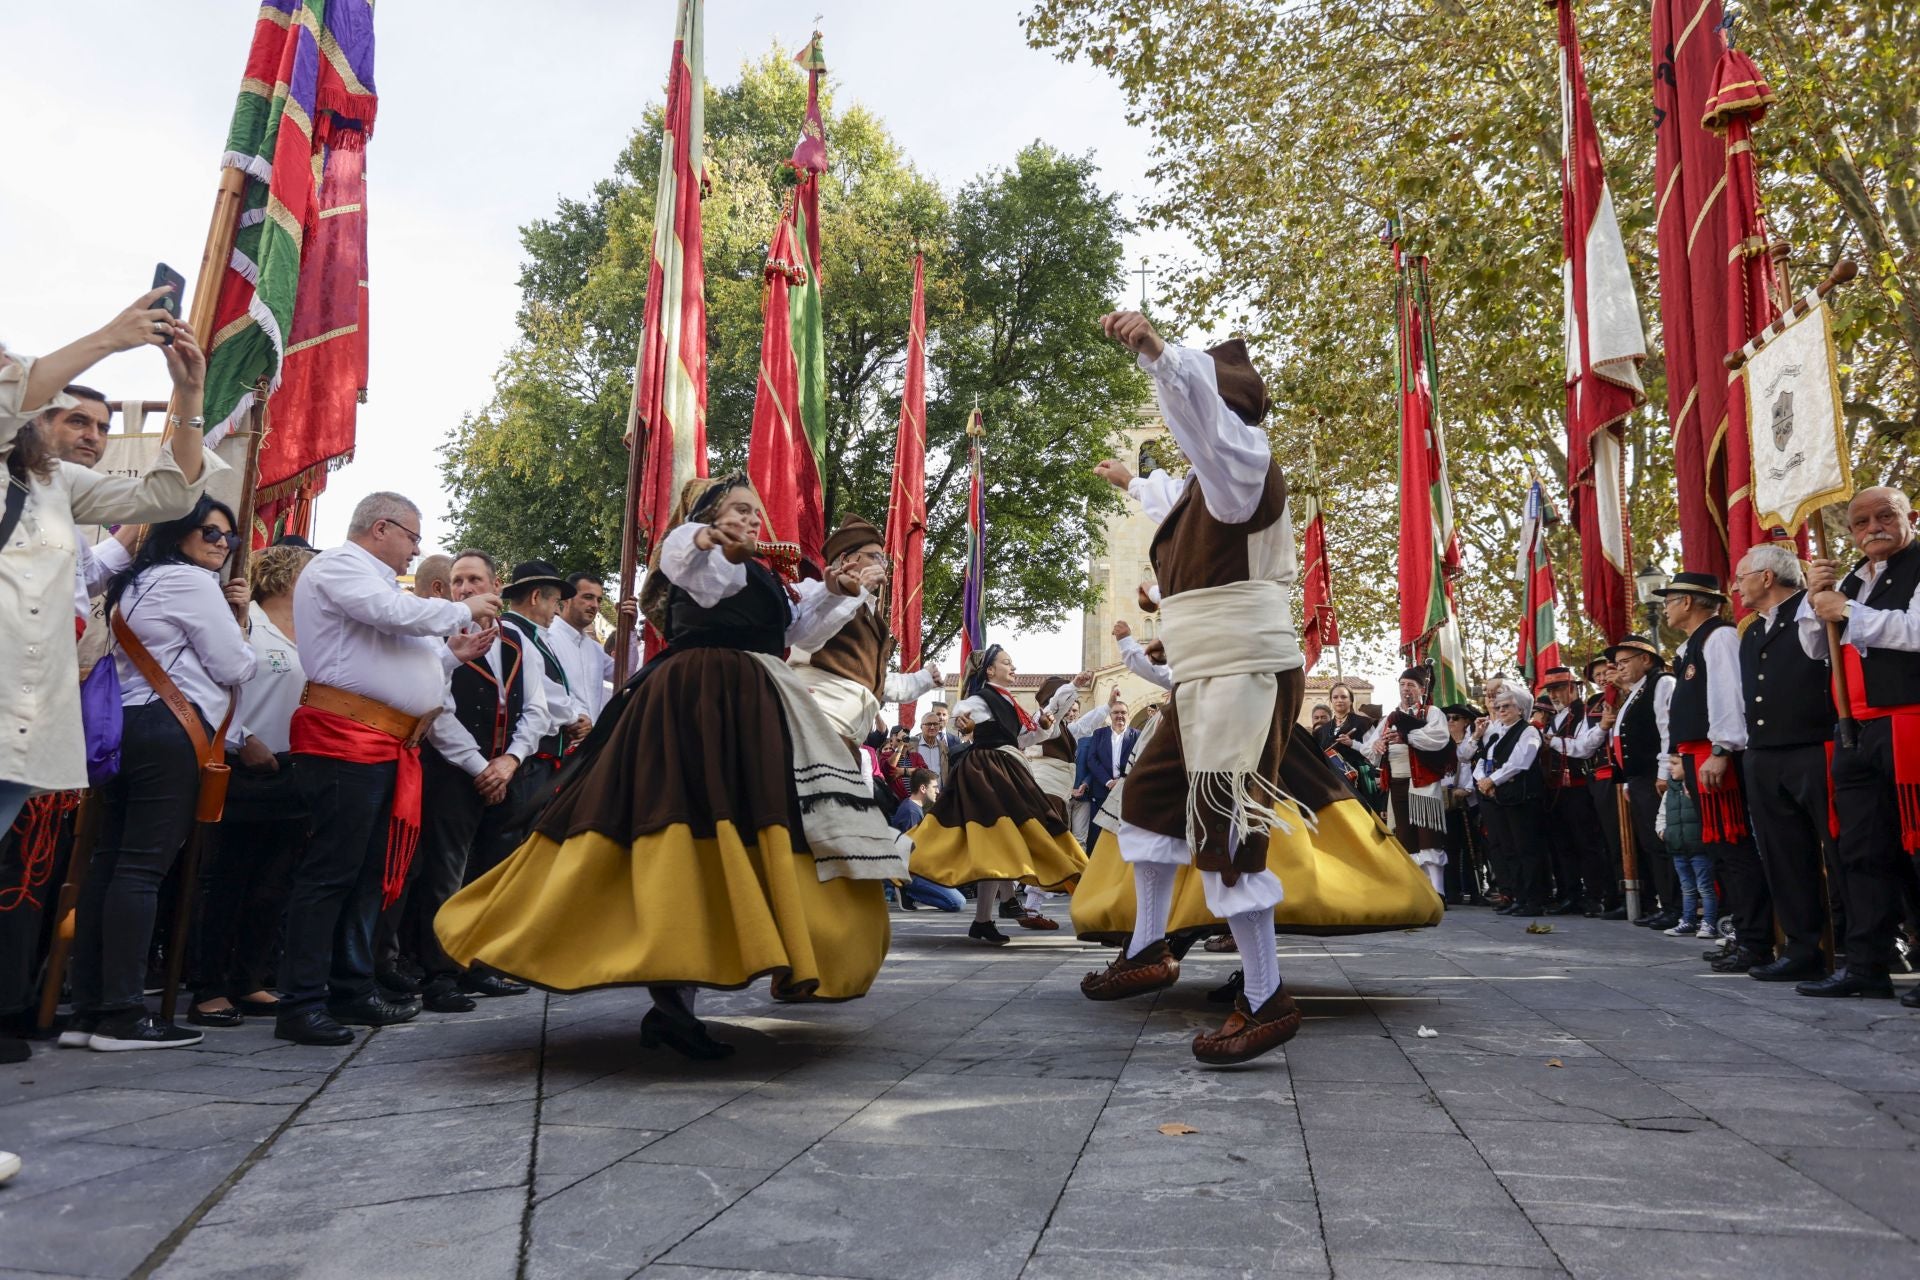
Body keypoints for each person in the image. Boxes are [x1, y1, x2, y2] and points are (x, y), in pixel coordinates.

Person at [437, 475, 904, 1059]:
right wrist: (711, 536)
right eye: (740, 509)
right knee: (679, 834)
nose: (754, 519)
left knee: (764, 835)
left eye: (757, 512)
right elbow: (684, 557)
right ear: (707, 514)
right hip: (696, 704)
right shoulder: (699, 553)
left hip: (755, 706)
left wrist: (838, 590)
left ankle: (773, 961)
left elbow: (797, 632)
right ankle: (672, 1007)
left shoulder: (765, 574)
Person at [1076, 310, 1310, 1064]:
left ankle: (1266, 996)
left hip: (1242, 672)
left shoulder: (1243, 459)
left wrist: (1160, 357)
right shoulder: (1212, 483)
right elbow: (1179, 488)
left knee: (1226, 829)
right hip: (1210, 673)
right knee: (1144, 806)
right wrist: (1132, 480)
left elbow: (1211, 434)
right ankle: (1147, 947)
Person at [274, 492, 500, 1047]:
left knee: (368, 874)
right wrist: (464, 609)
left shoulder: (368, 578)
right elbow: (393, 616)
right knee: (331, 872)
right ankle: (302, 1000)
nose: (416, 552)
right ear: (382, 528)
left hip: (383, 743)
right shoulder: (341, 566)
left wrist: (453, 655)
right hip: (345, 741)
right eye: (414, 538)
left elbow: (396, 657)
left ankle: (352, 986)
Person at [1, 293, 216, 838]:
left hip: (22, 714)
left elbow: (167, 497)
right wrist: (111, 337)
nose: (92, 436)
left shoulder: (54, 481)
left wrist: (189, 393)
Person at [69, 495, 256, 1050]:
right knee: (141, 871)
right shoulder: (193, 584)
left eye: (229, 537)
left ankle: (92, 1009)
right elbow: (235, 665)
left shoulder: (138, 580)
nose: (221, 545)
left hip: (125, 724)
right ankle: (124, 1016)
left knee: (110, 865)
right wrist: (238, 622)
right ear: (178, 531)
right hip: (171, 730)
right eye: (209, 532)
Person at [385, 550, 557, 1012]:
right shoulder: (437, 638)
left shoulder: (518, 639)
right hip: (453, 774)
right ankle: (441, 975)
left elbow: (536, 707)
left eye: (473, 580)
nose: (463, 589)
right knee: (447, 873)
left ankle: (482, 965)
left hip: (506, 773)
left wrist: (511, 761)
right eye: (457, 582)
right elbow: (438, 710)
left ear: (494, 586)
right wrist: (480, 766)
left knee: (493, 873)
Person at [1797, 486, 1920, 1006]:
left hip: (1910, 723)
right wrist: (1815, 597)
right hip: (1856, 731)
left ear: (1910, 517)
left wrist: (1847, 610)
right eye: (1860, 522)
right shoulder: (1851, 578)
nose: (1873, 528)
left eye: (1884, 516)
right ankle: (1866, 964)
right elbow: (1813, 646)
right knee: (1862, 851)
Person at [186, 543, 315, 1028]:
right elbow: (215, 685)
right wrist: (242, 740)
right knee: (227, 881)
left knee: (273, 885)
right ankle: (208, 986)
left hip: (295, 768)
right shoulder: (246, 621)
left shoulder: (311, 633)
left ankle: (249, 977)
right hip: (243, 765)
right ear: (286, 578)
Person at [910, 645, 1092, 944]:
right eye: (1007, 663)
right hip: (988, 770)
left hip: (1005, 767)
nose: (1014, 667)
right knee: (998, 840)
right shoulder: (984, 697)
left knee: (1000, 843)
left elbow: (1025, 737)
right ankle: (993, 912)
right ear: (990, 670)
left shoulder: (1008, 701)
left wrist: (1067, 695)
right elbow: (963, 711)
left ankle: (989, 916)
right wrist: (963, 721)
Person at [1656, 571, 1773, 972]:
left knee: (1735, 847)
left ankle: (1756, 941)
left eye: (1670, 599)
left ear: (1689, 601)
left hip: (1715, 753)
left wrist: (1721, 749)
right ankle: (1742, 932)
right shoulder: (1691, 646)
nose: (1666, 607)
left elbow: (1728, 696)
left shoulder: (1718, 637)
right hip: (1696, 756)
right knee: (1721, 851)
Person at [1733, 542, 1839, 981]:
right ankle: (1801, 946)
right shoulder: (1751, 630)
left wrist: (1820, 591)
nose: (1736, 585)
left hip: (1816, 747)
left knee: (1842, 849)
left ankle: (1867, 941)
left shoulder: (1810, 610)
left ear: (1766, 577)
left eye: (1742, 576)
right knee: (1784, 855)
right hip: (1765, 753)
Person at [785, 515, 942, 745]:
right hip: (817, 721)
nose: (882, 565)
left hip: (849, 736)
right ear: (846, 558)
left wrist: (924, 679)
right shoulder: (818, 595)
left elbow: (877, 682)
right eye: (874, 557)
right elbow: (811, 633)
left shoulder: (870, 615)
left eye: (884, 559)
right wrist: (858, 589)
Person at [1604, 636, 1679, 927]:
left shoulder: (1662, 684)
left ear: (1645, 659)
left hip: (1653, 776)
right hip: (1637, 779)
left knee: (1663, 842)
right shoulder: (1634, 693)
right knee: (1649, 843)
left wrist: (1663, 772)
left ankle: (1677, 905)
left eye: (1625, 662)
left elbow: (1667, 730)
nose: (1619, 668)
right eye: (1617, 663)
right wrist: (1625, 781)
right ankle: (1666, 903)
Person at [1362, 668, 1454, 892]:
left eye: (1411, 685)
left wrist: (1406, 736)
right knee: (1405, 835)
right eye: (1402, 684)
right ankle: (1418, 889)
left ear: (1422, 689)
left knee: (1428, 835)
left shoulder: (1432, 713)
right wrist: (1377, 746)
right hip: (1397, 783)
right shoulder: (1389, 718)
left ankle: (1438, 891)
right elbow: (1368, 749)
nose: (1406, 689)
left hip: (1422, 781)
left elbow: (1439, 739)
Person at [1537, 666, 1610, 916]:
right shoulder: (1553, 719)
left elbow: (1584, 747)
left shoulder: (1585, 712)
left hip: (1579, 789)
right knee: (1562, 845)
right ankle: (1570, 894)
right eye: (1551, 690)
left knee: (1586, 844)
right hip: (1555, 790)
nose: (1554, 695)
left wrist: (1552, 742)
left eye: (1559, 688)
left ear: (1573, 688)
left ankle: (1595, 896)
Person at [1472, 687, 1546, 914]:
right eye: (1498, 707)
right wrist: (1482, 781)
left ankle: (1534, 901)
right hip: (1501, 798)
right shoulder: (1496, 733)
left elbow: (1519, 762)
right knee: (1509, 849)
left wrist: (1492, 781)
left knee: (1527, 850)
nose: (1501, 710)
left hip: (1523, 798)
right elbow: (1483, 761)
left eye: (1507, 706)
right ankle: (1519, 897)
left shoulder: (1528, 732)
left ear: (1521, 709)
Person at [548, 571, 636, 723]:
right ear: (566, 599)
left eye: (599, 600)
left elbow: (625, 675)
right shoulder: (547, 639)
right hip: (556, 740)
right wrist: (574, 718)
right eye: (588, 597)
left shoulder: (595, 649)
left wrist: (629, 630)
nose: (595, 605)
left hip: (590, 742)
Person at [889, 769, 965, 911]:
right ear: (923, 788)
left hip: (917, 870)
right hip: (911, 874)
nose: (937, 791)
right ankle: (907, 891)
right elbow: (909, 853)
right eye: (934, 787)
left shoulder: (913, 808)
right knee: (958, 903)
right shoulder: (911, 812)